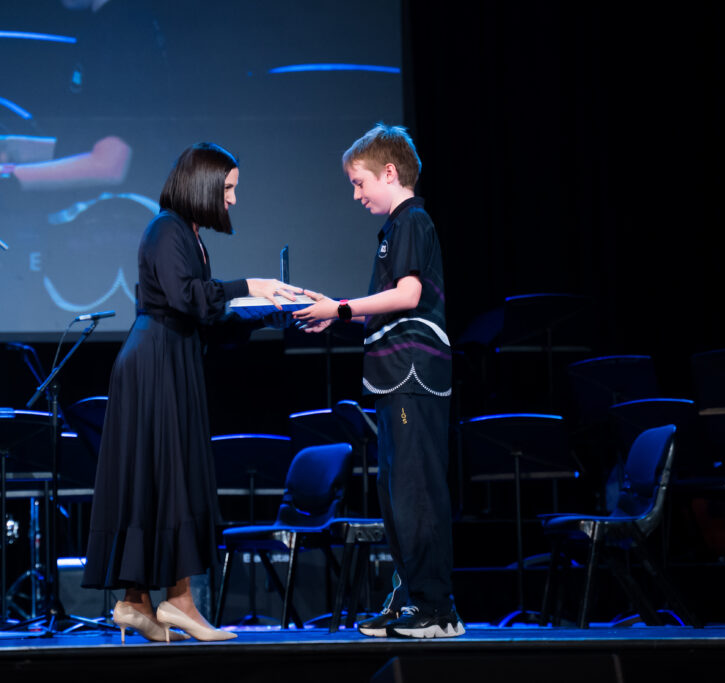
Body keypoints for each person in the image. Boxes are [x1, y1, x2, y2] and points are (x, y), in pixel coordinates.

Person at [80, 142, 299, 643]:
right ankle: (179, 602)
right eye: (228, 189)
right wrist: (252, 285)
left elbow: (207, 318)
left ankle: (135, 601)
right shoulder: (167, 229)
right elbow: (187, 298)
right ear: (203, 186)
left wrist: (274, 312)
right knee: (169, 473)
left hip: (169, 357)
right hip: (155, 362)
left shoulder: (188, 235)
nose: (232, 200)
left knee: (155, 477)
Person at [293, 123, 463, 638]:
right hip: (395, 379)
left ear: (390, 173)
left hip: (413, 377)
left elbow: (409, 296)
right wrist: (336, 313)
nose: (356, 194)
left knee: (415, 491)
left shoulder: (412, 221)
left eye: (359, 182)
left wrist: (340, 308)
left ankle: (436, 609)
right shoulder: (397, 227)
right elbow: (389, 308)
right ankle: (412, 597)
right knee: (395, 493)